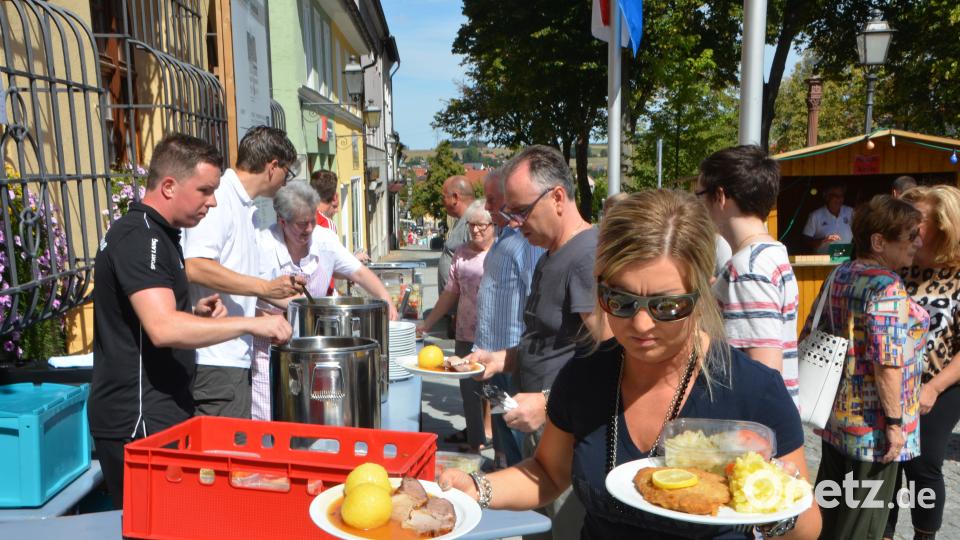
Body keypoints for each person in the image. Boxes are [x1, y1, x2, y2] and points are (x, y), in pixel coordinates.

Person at [442, 189, 821, 539]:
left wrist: (770, 499)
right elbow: (548, 472)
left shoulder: (752, 391)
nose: (641, 325)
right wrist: (477, 488)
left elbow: (808, 527)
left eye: (667, 306)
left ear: (703, 291)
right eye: (620, 300)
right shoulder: (586, 375)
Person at [88, 134, 292, 508]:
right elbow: (163, 329)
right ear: (168, 186)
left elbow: (148, 317)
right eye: (204, 190)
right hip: (139, 418)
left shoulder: (160, 236)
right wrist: (249, 324)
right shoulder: (140, 239)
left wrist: (195, 313)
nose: (212, 202)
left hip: (157, 409)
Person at [465, 145, 603, 539]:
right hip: (546, 426)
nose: (513, 222)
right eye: (510, 212)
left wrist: (547, 402)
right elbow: (549, 340)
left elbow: (612, 357)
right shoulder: (552, 251)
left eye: (521, 211)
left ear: (557, 197)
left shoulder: (586, 256)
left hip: (568, 433)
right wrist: (500, 359)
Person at [801, 195, 929, 539]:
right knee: (861, 526)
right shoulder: (887, 287)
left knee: (829, 516)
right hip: (872, 430)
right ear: (878, 241)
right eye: (910, 235)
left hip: (836, 419)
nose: (917, 242)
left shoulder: (840, 274)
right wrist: (895, 424)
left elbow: (811, 329)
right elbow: (887, 362)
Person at [182, 126, 305, 419]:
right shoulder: (221, 198)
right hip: (216, 359)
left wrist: (268, 310)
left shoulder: (245, 206)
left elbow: (232, 284)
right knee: (222, 461)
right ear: (272, 166)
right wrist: (264, 288)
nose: (286, 181)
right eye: (287, 172)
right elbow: (195, 265)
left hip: (232, 358)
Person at [250, 181, 398, 420]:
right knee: (274, 419)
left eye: (312, 221)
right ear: (282, 221)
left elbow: (357, 272)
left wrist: (385, 298)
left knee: (322, 420)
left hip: (319, 352)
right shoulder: (262, 246)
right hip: (271, 350)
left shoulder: (325, 239)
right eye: (301, 224)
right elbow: (248, 295)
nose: (309, 229)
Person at [885, 185, 960, 540]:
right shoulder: (900, 265)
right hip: (890, 379)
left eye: (918, 222)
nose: (909, 228)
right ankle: (879, 533)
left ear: (945, 227)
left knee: (924, 464)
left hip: (940, 383)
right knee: (885, 462)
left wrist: (933, 386)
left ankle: (924, 535)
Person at [697, 145, 800, 406]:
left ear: (719, 196)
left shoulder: (748, 269)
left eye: (699, 195)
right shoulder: (770, 253)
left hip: (751, 427)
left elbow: (764, 370)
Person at [473, 168, 545, 468]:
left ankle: (522, 492)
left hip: (511, 357)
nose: (488, 207)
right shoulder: (504, 237)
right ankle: (505, 470)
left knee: (517, 430)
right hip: (493, 358)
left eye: (492, 199)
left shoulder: (526, 242)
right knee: (503, 425)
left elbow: (533, 297)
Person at [419, 200, 496, 452]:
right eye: (472, 226)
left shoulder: (500, 253)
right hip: (465, 330)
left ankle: (496, 440)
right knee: (469, 390)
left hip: (494, 334)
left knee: (492, 389)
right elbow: (450, 293)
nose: (475, 231)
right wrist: (428, 323)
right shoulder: (461, 253)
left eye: (481, 226)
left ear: (493, 226)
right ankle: (475, 442)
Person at [437, 175, 476, 336]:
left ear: (455, 198)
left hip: (463, 316)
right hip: (455, 312)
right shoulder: (462, 221)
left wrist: (460, 310)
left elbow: (475, 270)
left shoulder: (474, 222)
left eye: (443, 197)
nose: (442, 202)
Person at [310, 169, 369, 266]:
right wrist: (354, 259)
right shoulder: (326, 224)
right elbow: (334, 261)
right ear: (334, 197)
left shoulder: (300, 217)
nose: (337, 210)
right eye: (335, 207)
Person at [803, 182, 853, 253]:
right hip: (822, 261)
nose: (839, 199)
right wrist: (824, 240)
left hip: (844, 260)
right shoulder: (815, 215)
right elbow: (806, 241)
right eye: (835, 196)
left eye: (841, 196)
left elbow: (861, 233)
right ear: (826, 197)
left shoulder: (851, 212)